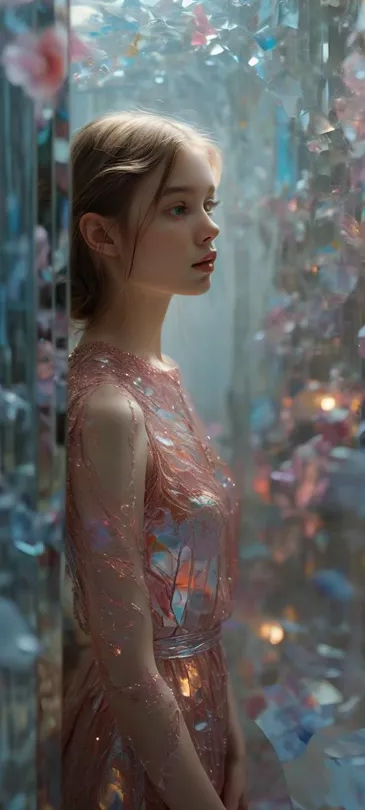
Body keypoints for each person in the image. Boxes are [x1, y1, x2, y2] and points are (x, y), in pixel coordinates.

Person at [63, 111, 247, 810]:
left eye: (209, 204)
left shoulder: (159, 376)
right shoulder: (109, 407)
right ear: (102, 234)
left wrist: (230, 731)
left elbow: (196, 610)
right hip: (139, 753)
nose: (210, 228)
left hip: (197, 713)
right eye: (178, 208)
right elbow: (127, 663)